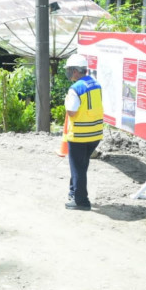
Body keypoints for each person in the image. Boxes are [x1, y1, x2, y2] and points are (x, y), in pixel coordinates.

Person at [63, 54, 103, 211]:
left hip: (80, 135)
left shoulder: (75, 88)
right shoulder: (96, 84)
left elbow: (71, 112)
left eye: (68, 70)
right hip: (95, 134)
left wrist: (67, 101)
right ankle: (73, 192)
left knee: (78, 167)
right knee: (81, 165)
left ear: (74, 71)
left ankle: (81, 201)